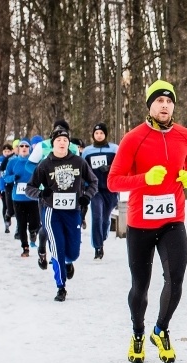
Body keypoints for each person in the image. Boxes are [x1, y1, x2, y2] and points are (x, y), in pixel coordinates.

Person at [107, 79, 187, 363]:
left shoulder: (186, 136)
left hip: (173, 221)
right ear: (150, 105)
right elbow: (113, 181)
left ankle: (161, 329)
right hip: (140, 224)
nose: (165, 105)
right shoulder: (133, 138)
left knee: (176, 279)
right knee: (140, 286)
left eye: (169, 101)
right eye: (159, 100)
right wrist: (144, 179)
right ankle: (138, 333)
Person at [25, 125, 97, 301]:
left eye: (65, 140)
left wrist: (86, 196)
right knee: (57, 247)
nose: (62, 142)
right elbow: (29, 188)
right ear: (53, 143)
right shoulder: (45, 164)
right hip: (52, 212)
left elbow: (93, 182)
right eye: (58, 140)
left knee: (73, 252)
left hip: (73, 212)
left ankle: (68, 261)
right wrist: (41, 193)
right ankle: (61, 287)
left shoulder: (79, 162)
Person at [81, 122, 119, 260]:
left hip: (110, 189)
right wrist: (84, 185)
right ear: (93, 135)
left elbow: (120, 164)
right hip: (94, 189)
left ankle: (102, 235)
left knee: (105, 218)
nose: (99, 135)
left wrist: (109, 168)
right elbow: (83, 169)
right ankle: (98, 247)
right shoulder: (87, 151)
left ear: (105, 134)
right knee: (97, 216)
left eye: (101, 133)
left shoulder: (114, 149)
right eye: (96, 133)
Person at [3, 139, 40, 256]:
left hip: (32, 197)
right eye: (22, 146)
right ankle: (25, 247)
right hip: (18, 198)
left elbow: (41, 175)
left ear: (30, 149)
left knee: (35, 222)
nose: (24, 148)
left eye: (26, 146)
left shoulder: (34, 161)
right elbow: (6, 177)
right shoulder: (12, 162)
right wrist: (13, 178)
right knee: (21, 224)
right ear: (18, 149)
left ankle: (33, 231)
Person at [0, 143, 13, 233]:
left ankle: (10, 215)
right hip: (3, 185)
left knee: (12, 205)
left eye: (8, 151)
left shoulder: (14, 159)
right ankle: (6, 222)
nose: (7, 153)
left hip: (13, 185)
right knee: (5, 204)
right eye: (5, 151)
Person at [70, 138, 88, 229]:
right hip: (71, 186)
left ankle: (81, 219)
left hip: (82, 185)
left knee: (83, 204)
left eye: (80, 147)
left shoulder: (83, 158)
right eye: (77, 147)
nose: (78, 149)